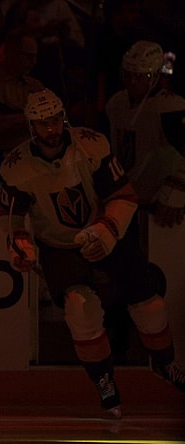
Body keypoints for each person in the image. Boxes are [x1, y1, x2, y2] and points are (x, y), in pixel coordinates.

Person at [0, 89, 185, 418]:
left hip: (106, 230)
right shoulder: (16, 167)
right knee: (81, 309)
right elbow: (6, 214)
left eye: (54, 119)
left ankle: (166, 365)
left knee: (151, 305)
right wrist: (21, 244)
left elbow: (123, 194)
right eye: (42, 123)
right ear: (31, 127)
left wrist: (107, 230)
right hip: (59, 245)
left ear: (63, 117)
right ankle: (104, 381)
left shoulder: (91, 145)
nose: (51, 129)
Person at [104, 40, 185, 363]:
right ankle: (124, 345)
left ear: (153, 78)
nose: (132, 81)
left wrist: (176, 193)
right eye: (128, 74)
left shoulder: (170, 107)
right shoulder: (116, 104)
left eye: (139, 76)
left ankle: (158, 352)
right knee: (125, 277)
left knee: (157, 281)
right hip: (129, 202)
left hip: (158, 207)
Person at [0, 33, 45, 203]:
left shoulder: (35, 86)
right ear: (11, 53)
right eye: (28, 56)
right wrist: (34, 118)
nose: (33, 62)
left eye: (35, 57)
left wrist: (13, 117)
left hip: (31, 163)